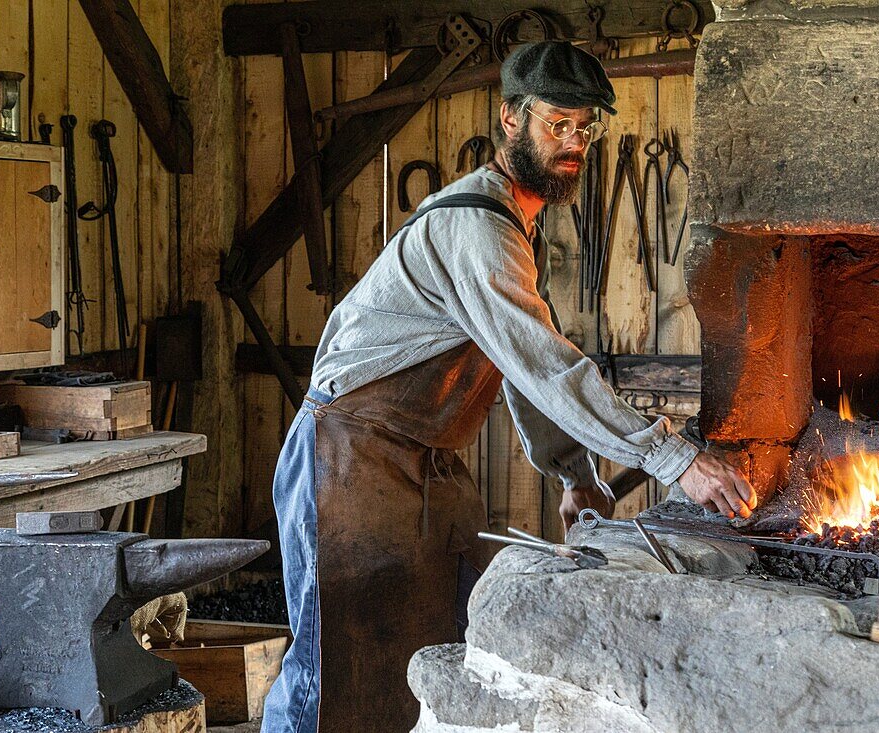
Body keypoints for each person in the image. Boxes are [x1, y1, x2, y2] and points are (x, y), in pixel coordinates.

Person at [261, 40, 756, 733]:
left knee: (430, 662)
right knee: (332, 670)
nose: (575, 142)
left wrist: (574, 475)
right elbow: (547, 363)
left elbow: (523, 365)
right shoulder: (476, 225)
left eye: (586, 128)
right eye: (559, 124)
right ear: (510, 119)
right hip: (348, 460)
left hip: (419, 465)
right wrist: (675, 459)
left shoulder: (510, 225)